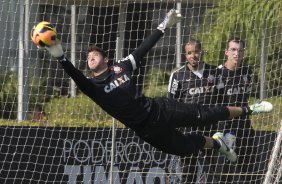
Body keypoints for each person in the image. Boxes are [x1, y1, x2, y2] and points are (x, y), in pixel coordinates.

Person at [40, 9, 273, 164]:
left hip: (159, 109)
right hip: (147, 130)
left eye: (94, 54)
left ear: (106, 59)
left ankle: (250, 109)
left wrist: (164, 25)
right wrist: (60, 56)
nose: (90, 57)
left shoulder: (121, 68)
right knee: (183, 148)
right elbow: (76, 77)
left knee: (204, 114)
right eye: (88, 57)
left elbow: (144, 48)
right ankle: (219, 143)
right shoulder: (93, 87)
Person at [167, 38, 219, 183]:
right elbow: (171, 104)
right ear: (185, 56)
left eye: (196, 51)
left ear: (201, 52)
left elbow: (222, 100)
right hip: (188, 132)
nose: (193, 55)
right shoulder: (177, 76)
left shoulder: (215, 72)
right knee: (188, 173)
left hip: (211, 130)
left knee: (212, 173)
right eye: (189, 53)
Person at [213, 37, 258, 183]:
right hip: (226, 127)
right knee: (225, 171)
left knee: (248, 168)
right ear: (226, 52)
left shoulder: (247, 72)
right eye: (233, 50)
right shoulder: (217, 74)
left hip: (245, 126)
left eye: (240, 50)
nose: (236, 54)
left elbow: (247, 97)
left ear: (244, 53)